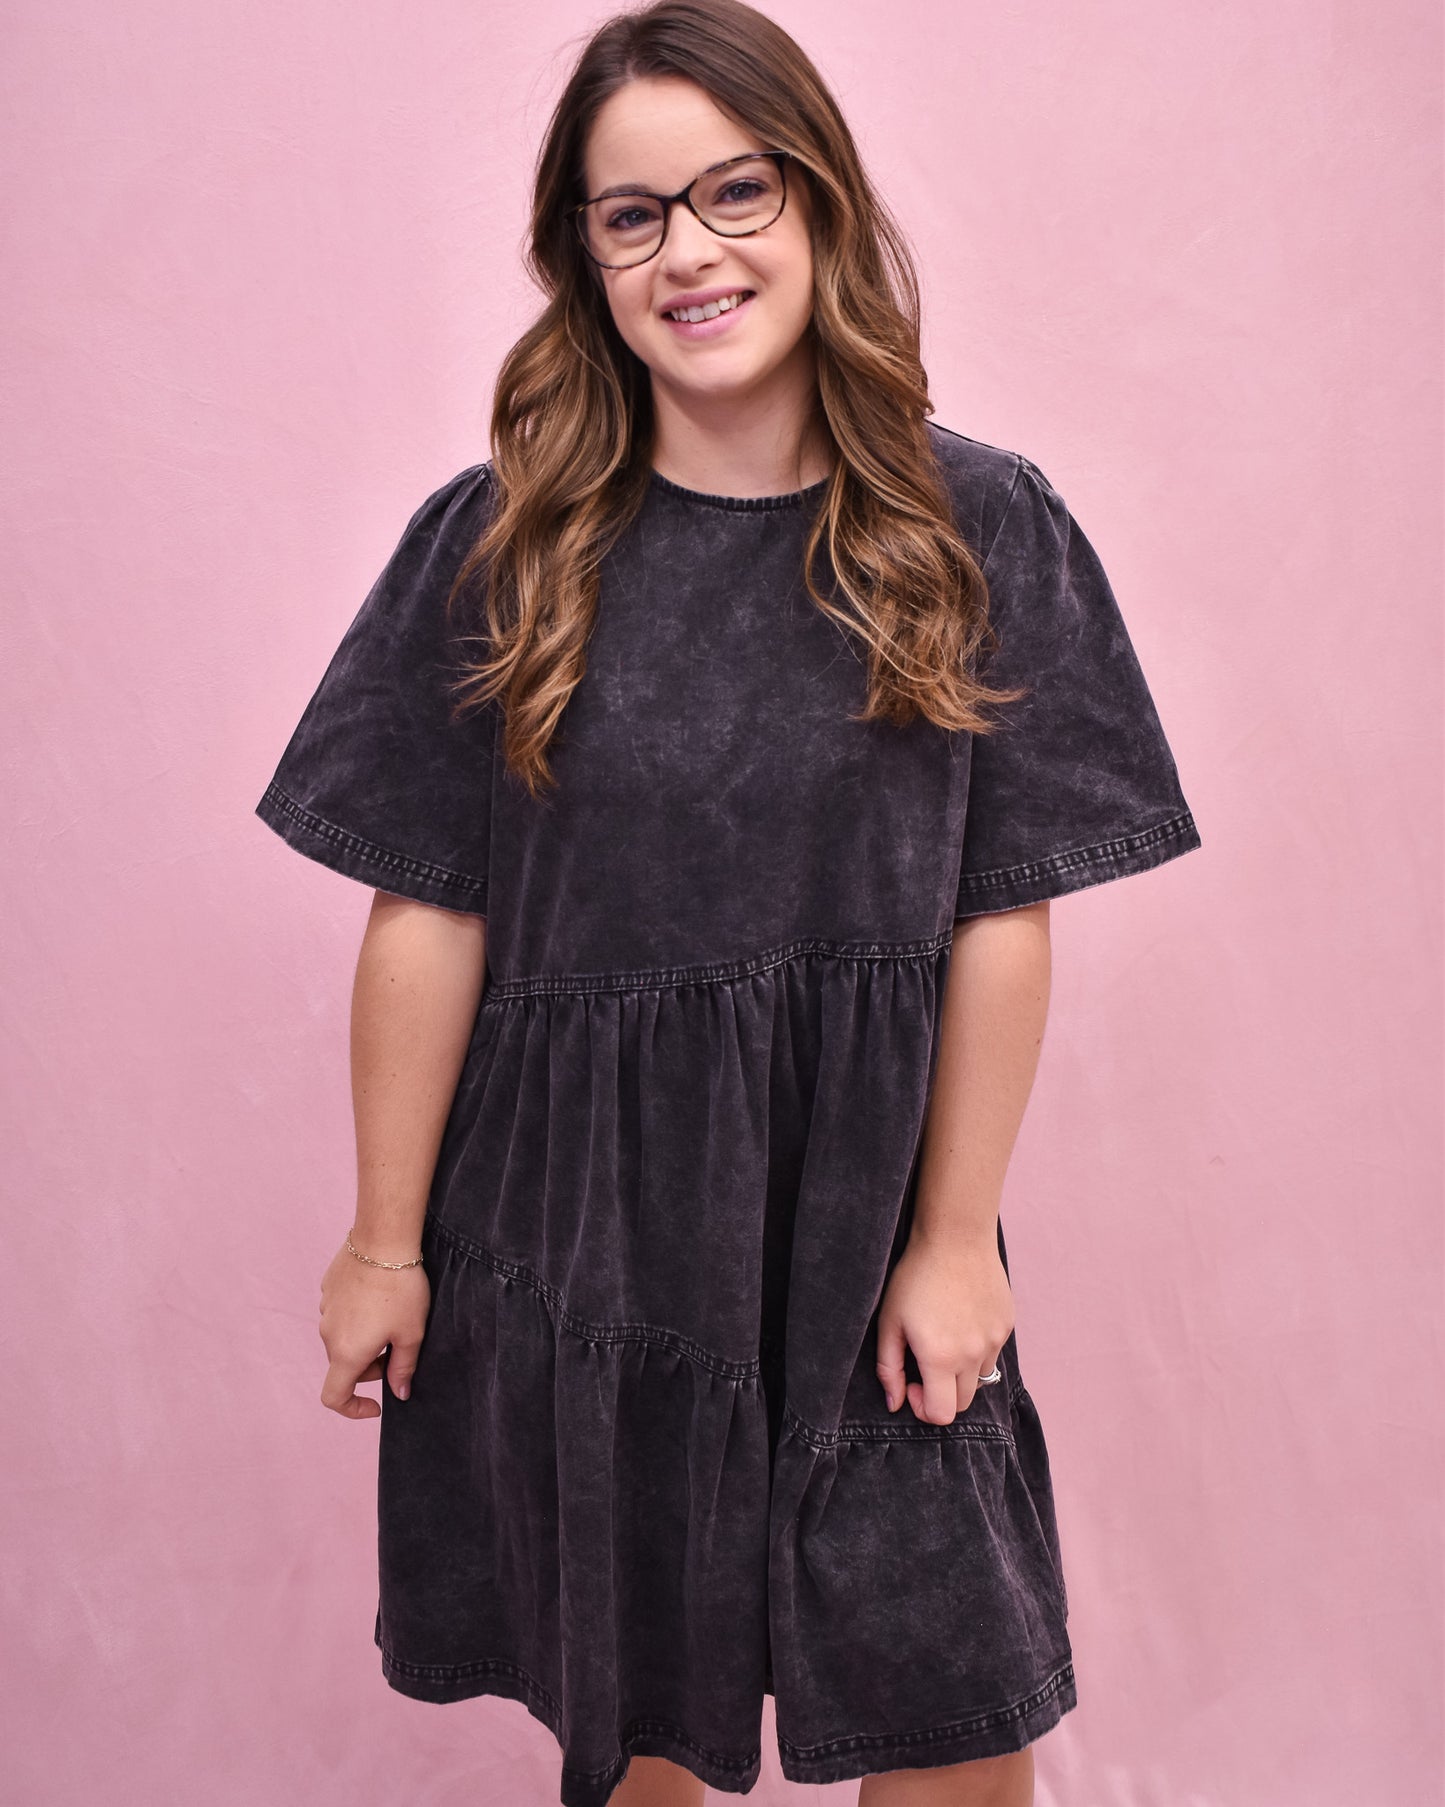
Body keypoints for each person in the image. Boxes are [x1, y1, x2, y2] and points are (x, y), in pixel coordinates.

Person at [254, 3, 1202, 1803]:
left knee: (947, 1704)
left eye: (733, 191)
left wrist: (950, 1240)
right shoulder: (502, 546)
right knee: (639, 1729)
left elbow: (1000, 910)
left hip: (864, 1216)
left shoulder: (974, 528)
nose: (689, 250)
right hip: (579, 1226)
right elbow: (429, 910)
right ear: (584, 263)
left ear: (821, 204)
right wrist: (384, 1242)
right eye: (631, 217)